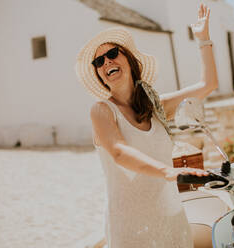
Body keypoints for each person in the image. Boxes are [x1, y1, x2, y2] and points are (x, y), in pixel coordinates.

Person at [75, 3, 218, 248]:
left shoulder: (156, 106)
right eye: (98, 61)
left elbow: (208, 84)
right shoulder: (101, 111)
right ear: (99, 73)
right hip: (131, 230)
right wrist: (166, 172)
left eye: (112, 54)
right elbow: (119, 152)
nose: (106, 62)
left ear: (129, 60)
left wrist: (203, 39)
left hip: (173, 222)